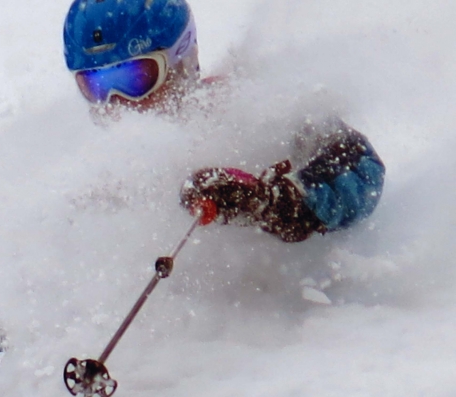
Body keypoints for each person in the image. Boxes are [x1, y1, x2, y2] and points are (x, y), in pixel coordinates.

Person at [63, 0, 385, 242]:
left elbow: (362, 167)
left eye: (136, 78)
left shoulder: (249, 108)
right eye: (96, 86)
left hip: (285, 319)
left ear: (182, 61)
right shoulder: (108, 180)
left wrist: (279, 204)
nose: (119, 101)